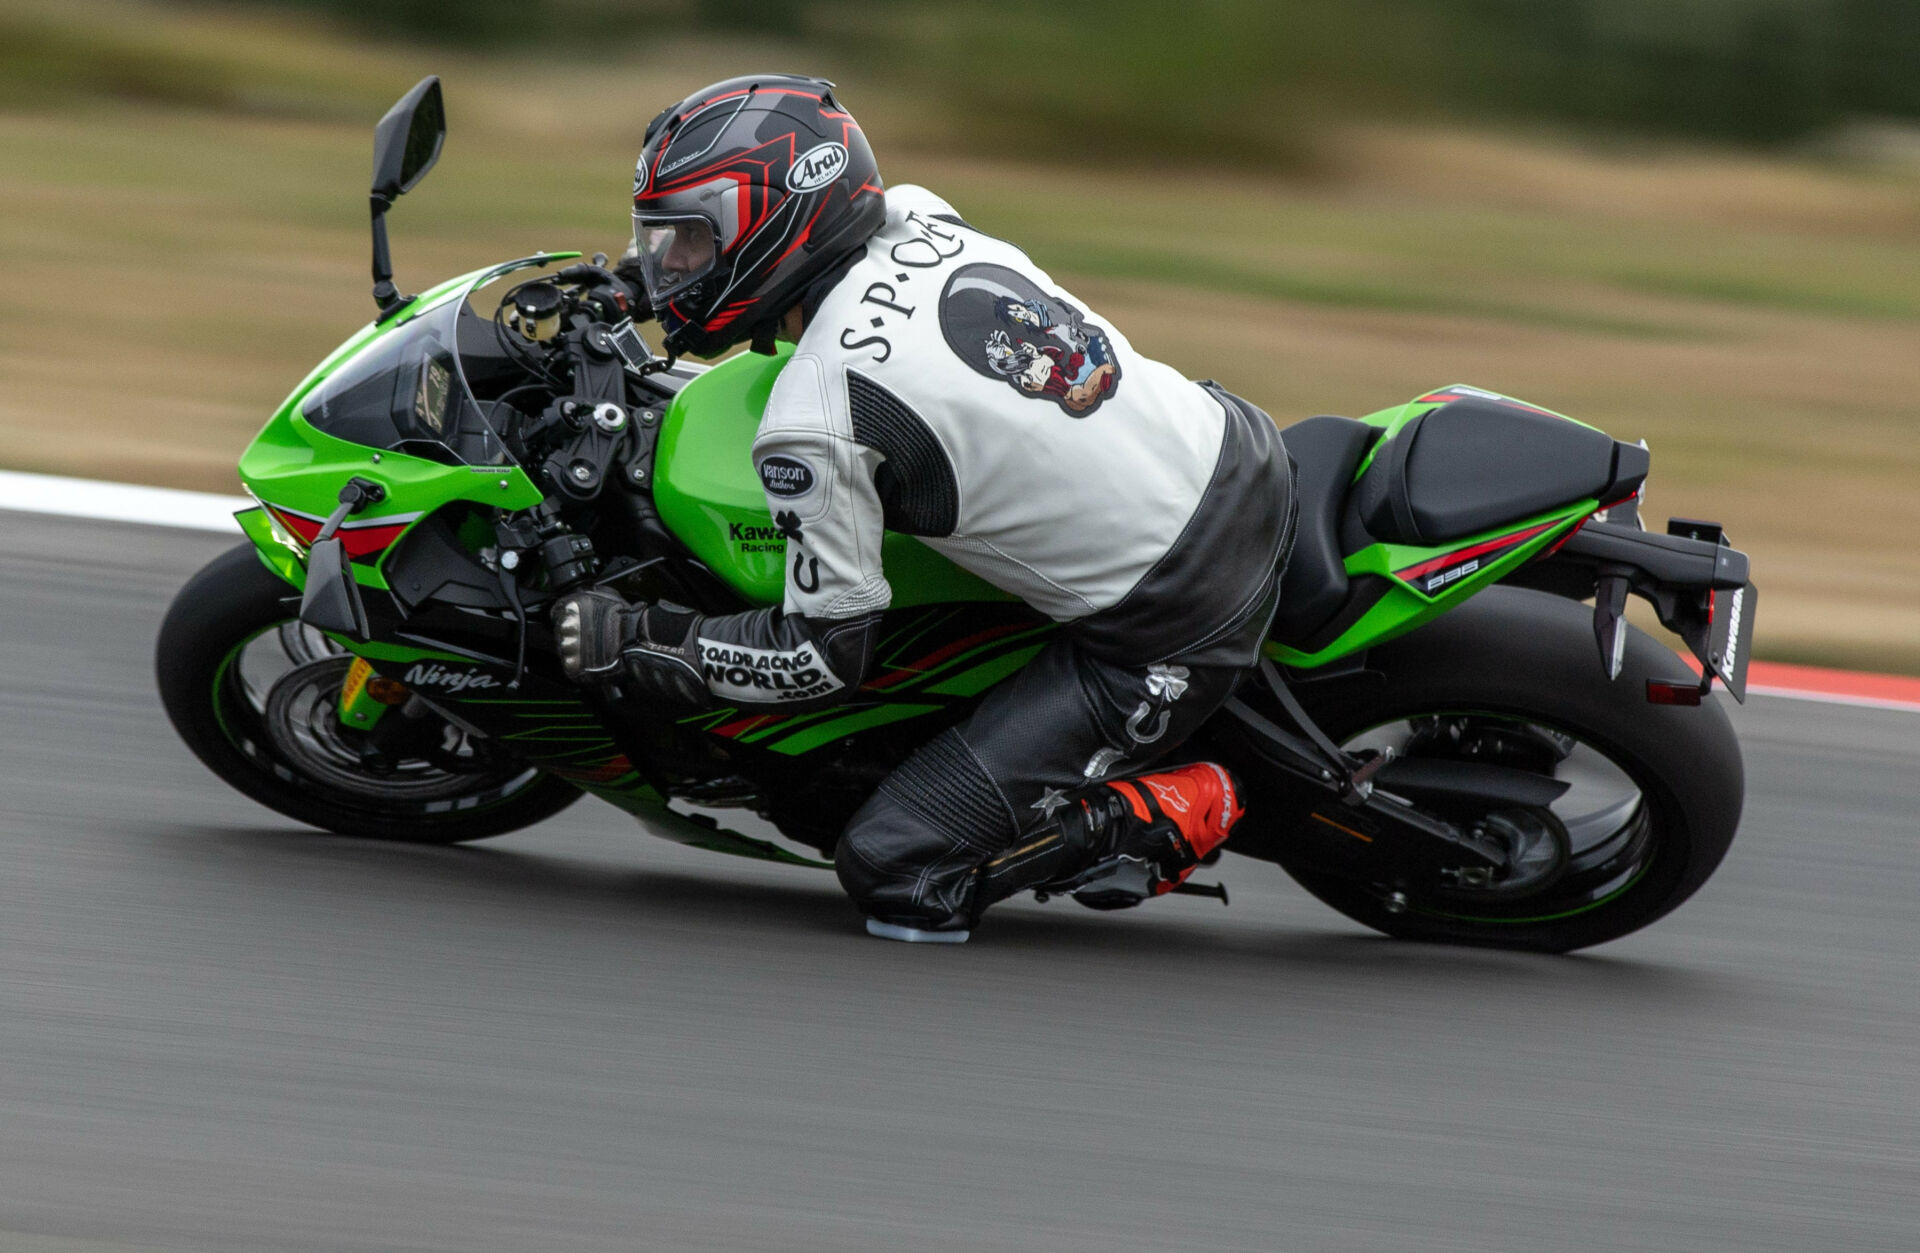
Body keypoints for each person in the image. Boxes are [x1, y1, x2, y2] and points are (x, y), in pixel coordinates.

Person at [556, 75, 1297, 942]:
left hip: (1178, 607)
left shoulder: (818, 412)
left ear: (773, 227)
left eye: (688, 239)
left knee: (894, 866)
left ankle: (1168, 804)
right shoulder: (916, 213)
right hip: (1236, 437)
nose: (667, 263)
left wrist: (641, 640)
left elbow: (825, 657)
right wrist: (639, 287)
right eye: (660, 240)